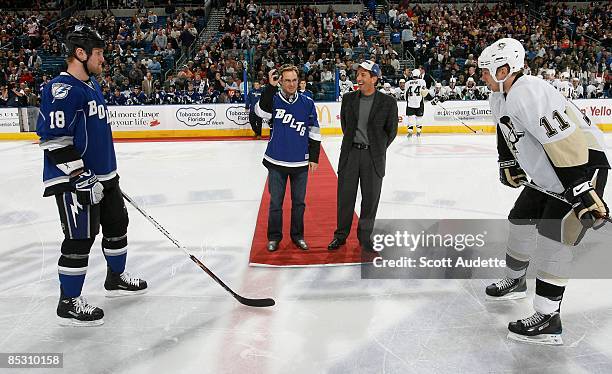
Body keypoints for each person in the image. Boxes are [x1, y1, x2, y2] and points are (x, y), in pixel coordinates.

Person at [478, 38, 609, 345]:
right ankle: (516, 280)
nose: (480, 75)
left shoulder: (529, 91)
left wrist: (580, 189)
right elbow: (504, 128)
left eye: (486, 70)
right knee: (519, 219)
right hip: (550, 172)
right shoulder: (499, 95)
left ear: (505, 69)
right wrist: (507, 160)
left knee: (555, 240)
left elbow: (565, 141)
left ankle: (549, 318)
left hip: (580, 168)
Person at [36, 26, 147, 327]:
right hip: (76, 180)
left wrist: (107, 175)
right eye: (98, 53)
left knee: (117, 226)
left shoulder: (91, 84)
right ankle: (68, 301)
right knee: (79, 240)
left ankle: (115, 277)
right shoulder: (61, 90)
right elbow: (54, 140)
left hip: (105, 176)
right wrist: (81, 176)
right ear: (80, 54)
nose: (103, 59)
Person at [327, 60, 398, 251]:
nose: (358, 78)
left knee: (370, 199)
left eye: (363, 75)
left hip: (373, 157)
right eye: (357, 74)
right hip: (350, 154)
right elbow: (346, 127)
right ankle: (340, 236)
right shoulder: (349, 99)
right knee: (345, 198)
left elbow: (391, 132)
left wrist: (375, 147)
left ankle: (365, 238)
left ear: (374, 78)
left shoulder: (388, 103)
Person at [255, 65, 321, 252]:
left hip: (300, 162)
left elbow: (314, 130)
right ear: (281, 82)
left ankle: (297, 236)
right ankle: (274, 237)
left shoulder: (307, 102)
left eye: (294, 80)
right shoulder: (273, 99)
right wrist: (269, 86)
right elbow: (261, 112)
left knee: (299, 203)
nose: (291, 84)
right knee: (276, 202)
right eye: (287, 80)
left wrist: (314, 157)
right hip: (276, 161)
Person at [405, 68, 430, 137]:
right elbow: (424, 92)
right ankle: (418, 131)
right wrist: (431, 99)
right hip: (419, 102)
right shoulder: (422, 82)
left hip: (410, 102)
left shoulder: (407, 83)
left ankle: (410, 131)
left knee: (410, 117)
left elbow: (405, 95)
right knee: (419, 117)